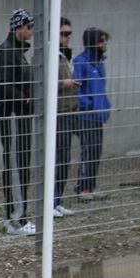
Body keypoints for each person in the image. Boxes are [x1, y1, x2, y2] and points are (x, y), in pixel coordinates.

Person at [0, 8, 36, 236]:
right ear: (18, 27)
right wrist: (25, 99)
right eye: (29, 26)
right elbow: (1, 86)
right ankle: (15, 220)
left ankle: (19, 215)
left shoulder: (18, 52)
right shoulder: (6, 52)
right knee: (16, 166)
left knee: (22, 164)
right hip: (13, 115)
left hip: (22, 115)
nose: (31, 31)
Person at [73, 28, 111, 202]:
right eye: (101, 40)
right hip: (86, 115)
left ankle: (90, 186)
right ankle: (83, 188)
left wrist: (103, 106)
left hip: (98, 115)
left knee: (96, 150)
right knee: (88, 150)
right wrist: (87, 105)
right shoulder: (81, 62)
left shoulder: (99, 63)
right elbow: (77, 88)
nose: (104, 44)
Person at [54, 17, 81, 217]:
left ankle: (57, 200)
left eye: (69, 33)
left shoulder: (66, 56)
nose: (68, 37)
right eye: (64, 33)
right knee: (57, 158)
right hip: (58, 114)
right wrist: (62, 84)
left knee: (65, 159)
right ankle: (51, 201)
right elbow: (41, 84)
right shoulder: (49, 56)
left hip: (70, 112)